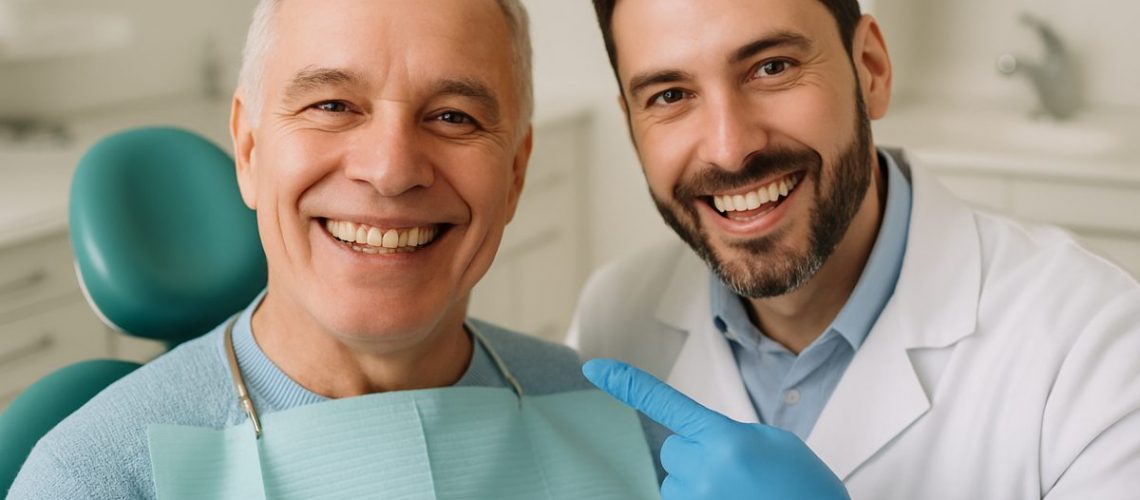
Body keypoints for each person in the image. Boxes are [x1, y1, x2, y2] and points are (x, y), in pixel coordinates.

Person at [9, 1, 655, 498]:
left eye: (453, 115)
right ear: (250, 150)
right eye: (332, 104)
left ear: (514, 175)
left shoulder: (612, 423)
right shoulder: (93, 478)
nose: (391, 169)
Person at [570, 0, 1140, 498]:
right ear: (631, 125)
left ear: (870, 69)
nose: (729, 148)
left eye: (772, 67)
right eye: (669, 95)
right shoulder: (612, 315)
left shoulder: (1099, 343)